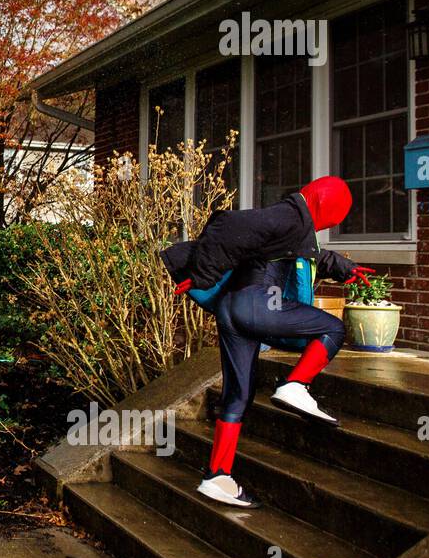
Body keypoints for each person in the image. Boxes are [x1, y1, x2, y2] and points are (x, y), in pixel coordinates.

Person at [160, 176, 375, 508]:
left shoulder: (293, 227)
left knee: (238, 396)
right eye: (333, 216)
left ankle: (218, 476)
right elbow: (230, 224)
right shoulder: (290, 215)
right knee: (332, 328)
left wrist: (345, 268)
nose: (329, 224)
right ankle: (295, 385)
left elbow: (313, 256)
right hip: (258, 304)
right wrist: (201, 274)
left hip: (231, 311)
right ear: (322, 203)